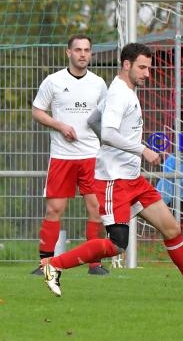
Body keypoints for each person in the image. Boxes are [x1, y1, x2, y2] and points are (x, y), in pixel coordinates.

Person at [42, 43, 183, 299]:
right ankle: (54, 265)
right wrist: (142, 150)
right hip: (114, 181)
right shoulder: (120, 94)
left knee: (171, 228)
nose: (147, 74)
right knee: (117, 244)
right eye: (142, 67)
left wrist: (117, 150)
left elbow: (93, 121)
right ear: (126, 65)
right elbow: (106, 132)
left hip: (133, 180)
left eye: (149, 68)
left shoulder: (120, 89)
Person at [31, 34, 109, 276]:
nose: (82, 54)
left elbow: (106, 117)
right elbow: (37, 111)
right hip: (62, 156)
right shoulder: (53, 81)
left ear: (91, 53)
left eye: (87, 50)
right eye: (78, 50)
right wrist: (60, 126)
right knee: (54, 209)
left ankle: (94, 264)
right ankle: (46, 264)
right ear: (69, 53)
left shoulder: (98, 83)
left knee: (96, 209)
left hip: (91, 156)